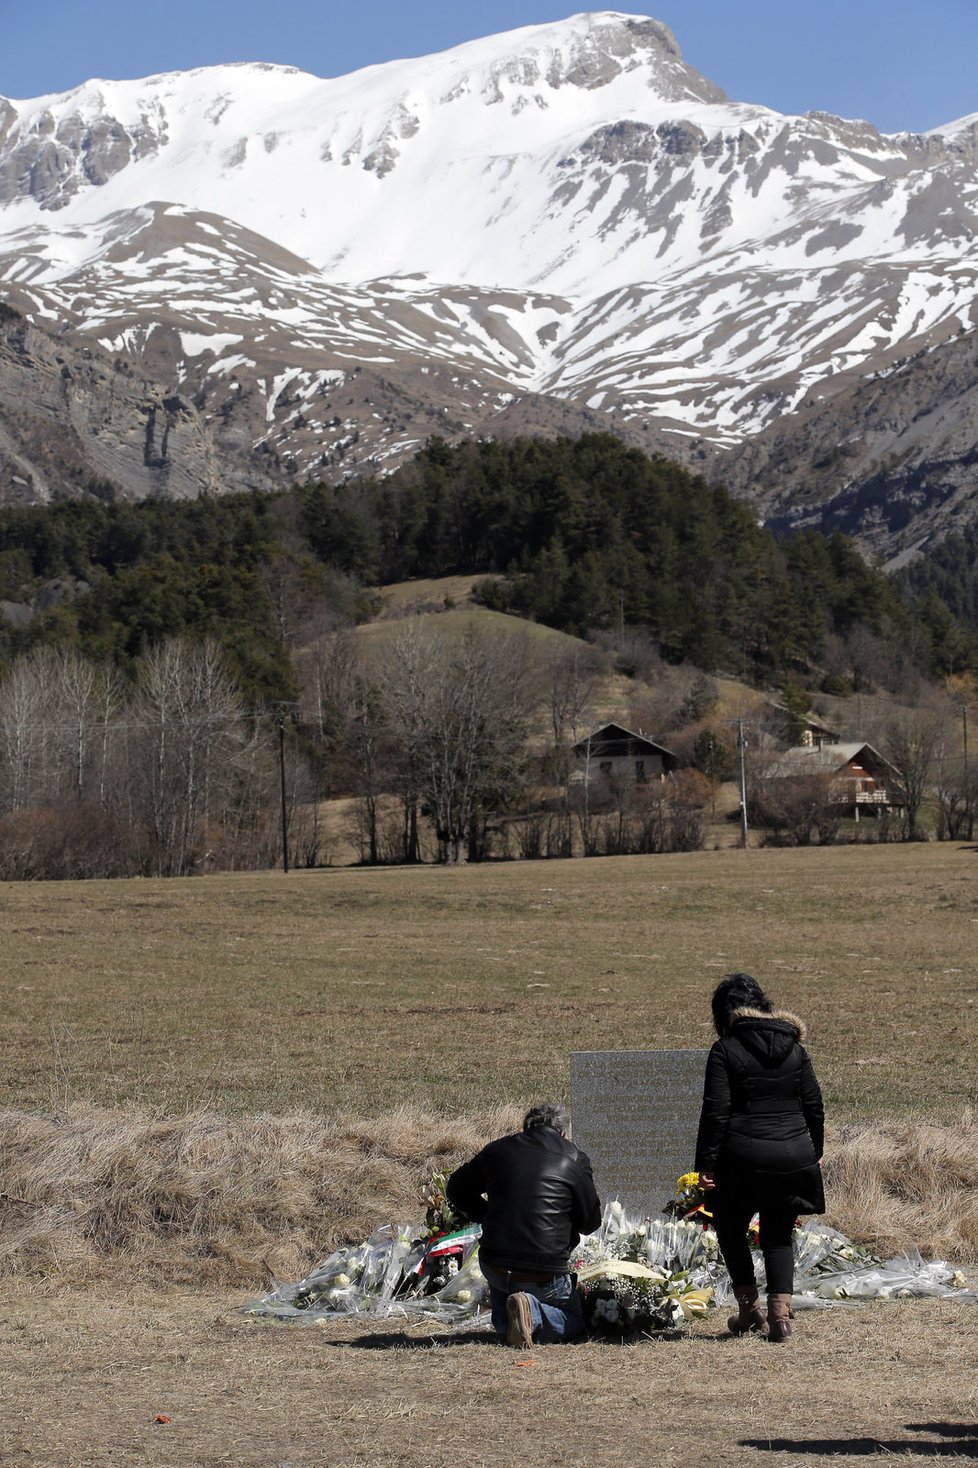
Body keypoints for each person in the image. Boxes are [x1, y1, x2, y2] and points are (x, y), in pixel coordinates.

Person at [695, 972, 824, 1343]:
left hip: (740, 1159)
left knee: (731, 1229)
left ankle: (750, 1311)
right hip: (792, 1154)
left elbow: (716, 1111)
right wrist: (812, 1151)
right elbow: (814, 1105)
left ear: (726, 1013)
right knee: (779, 1234)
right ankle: (781, 1316)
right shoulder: (796, 1048)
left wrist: (705, 1164)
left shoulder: (725, 1049)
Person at [447, 1102, 601, 1347]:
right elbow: (590, 1222)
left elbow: (456, 1187)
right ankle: (532, 1311)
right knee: (575, 1322)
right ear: (562, 1132)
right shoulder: (574, 1158)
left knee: (508, 1320)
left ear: (526, 1128)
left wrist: (485, 1215)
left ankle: (510, 1317)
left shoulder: (497, 1151)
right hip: (544, 1273)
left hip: (496, 1266)